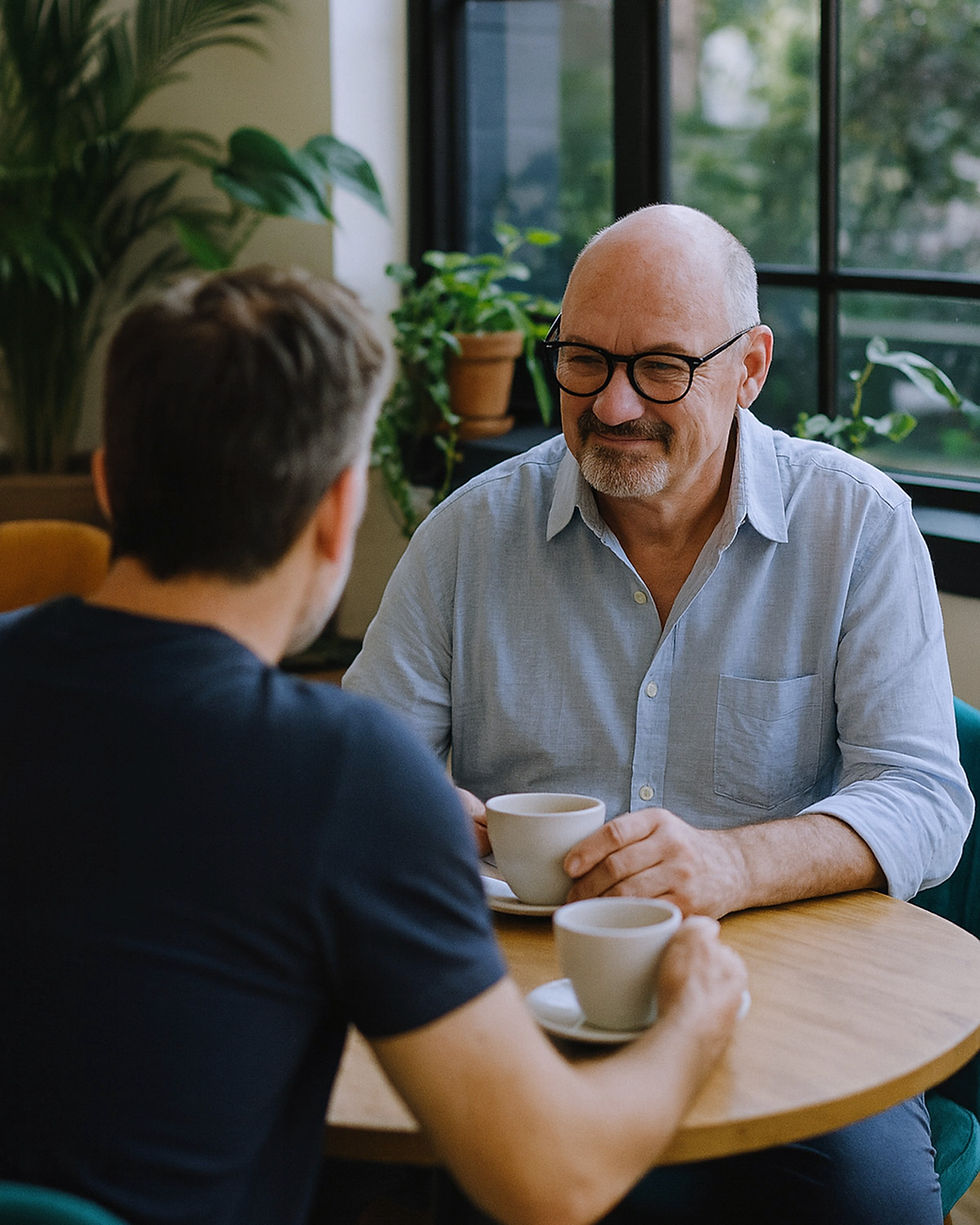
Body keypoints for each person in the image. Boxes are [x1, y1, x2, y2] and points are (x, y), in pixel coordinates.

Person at [0, 265, 747, 1225]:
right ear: (337, 511)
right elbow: (555, 1178)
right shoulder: (339, 773)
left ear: (106, 479)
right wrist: (697, 1013)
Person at [344, 205, 974, 1223]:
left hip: (791, 996)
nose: (613, 402)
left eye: (661, 367)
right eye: (582, 360)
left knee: (873, 1207)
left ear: (751, 365)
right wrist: (424, 812)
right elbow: (359, 763)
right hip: (515, 1005)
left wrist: (732, 865)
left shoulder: (852, 525)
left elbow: (922, 796)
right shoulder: (468, 535)